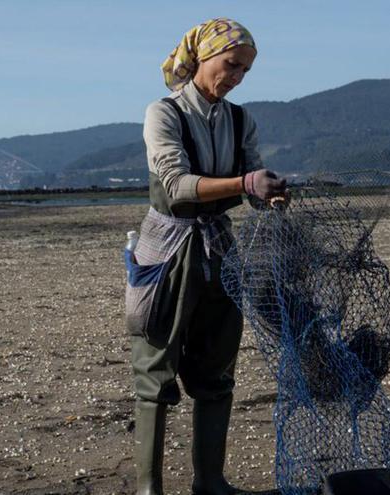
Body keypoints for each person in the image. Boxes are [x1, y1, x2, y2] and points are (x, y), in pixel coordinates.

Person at [124, 17, 286, 495]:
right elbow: (174, 188)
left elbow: (253, 179)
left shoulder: (241, 120)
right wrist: (244, 184)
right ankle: (148, 489)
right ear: (202, 57)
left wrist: (269, 193)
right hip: (166, 250)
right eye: (231, 64)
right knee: (155, 370)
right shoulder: (164, 113)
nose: (236, 76)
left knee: (217, 370)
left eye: (245, 71)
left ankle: (210, 482)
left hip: (220, 251)